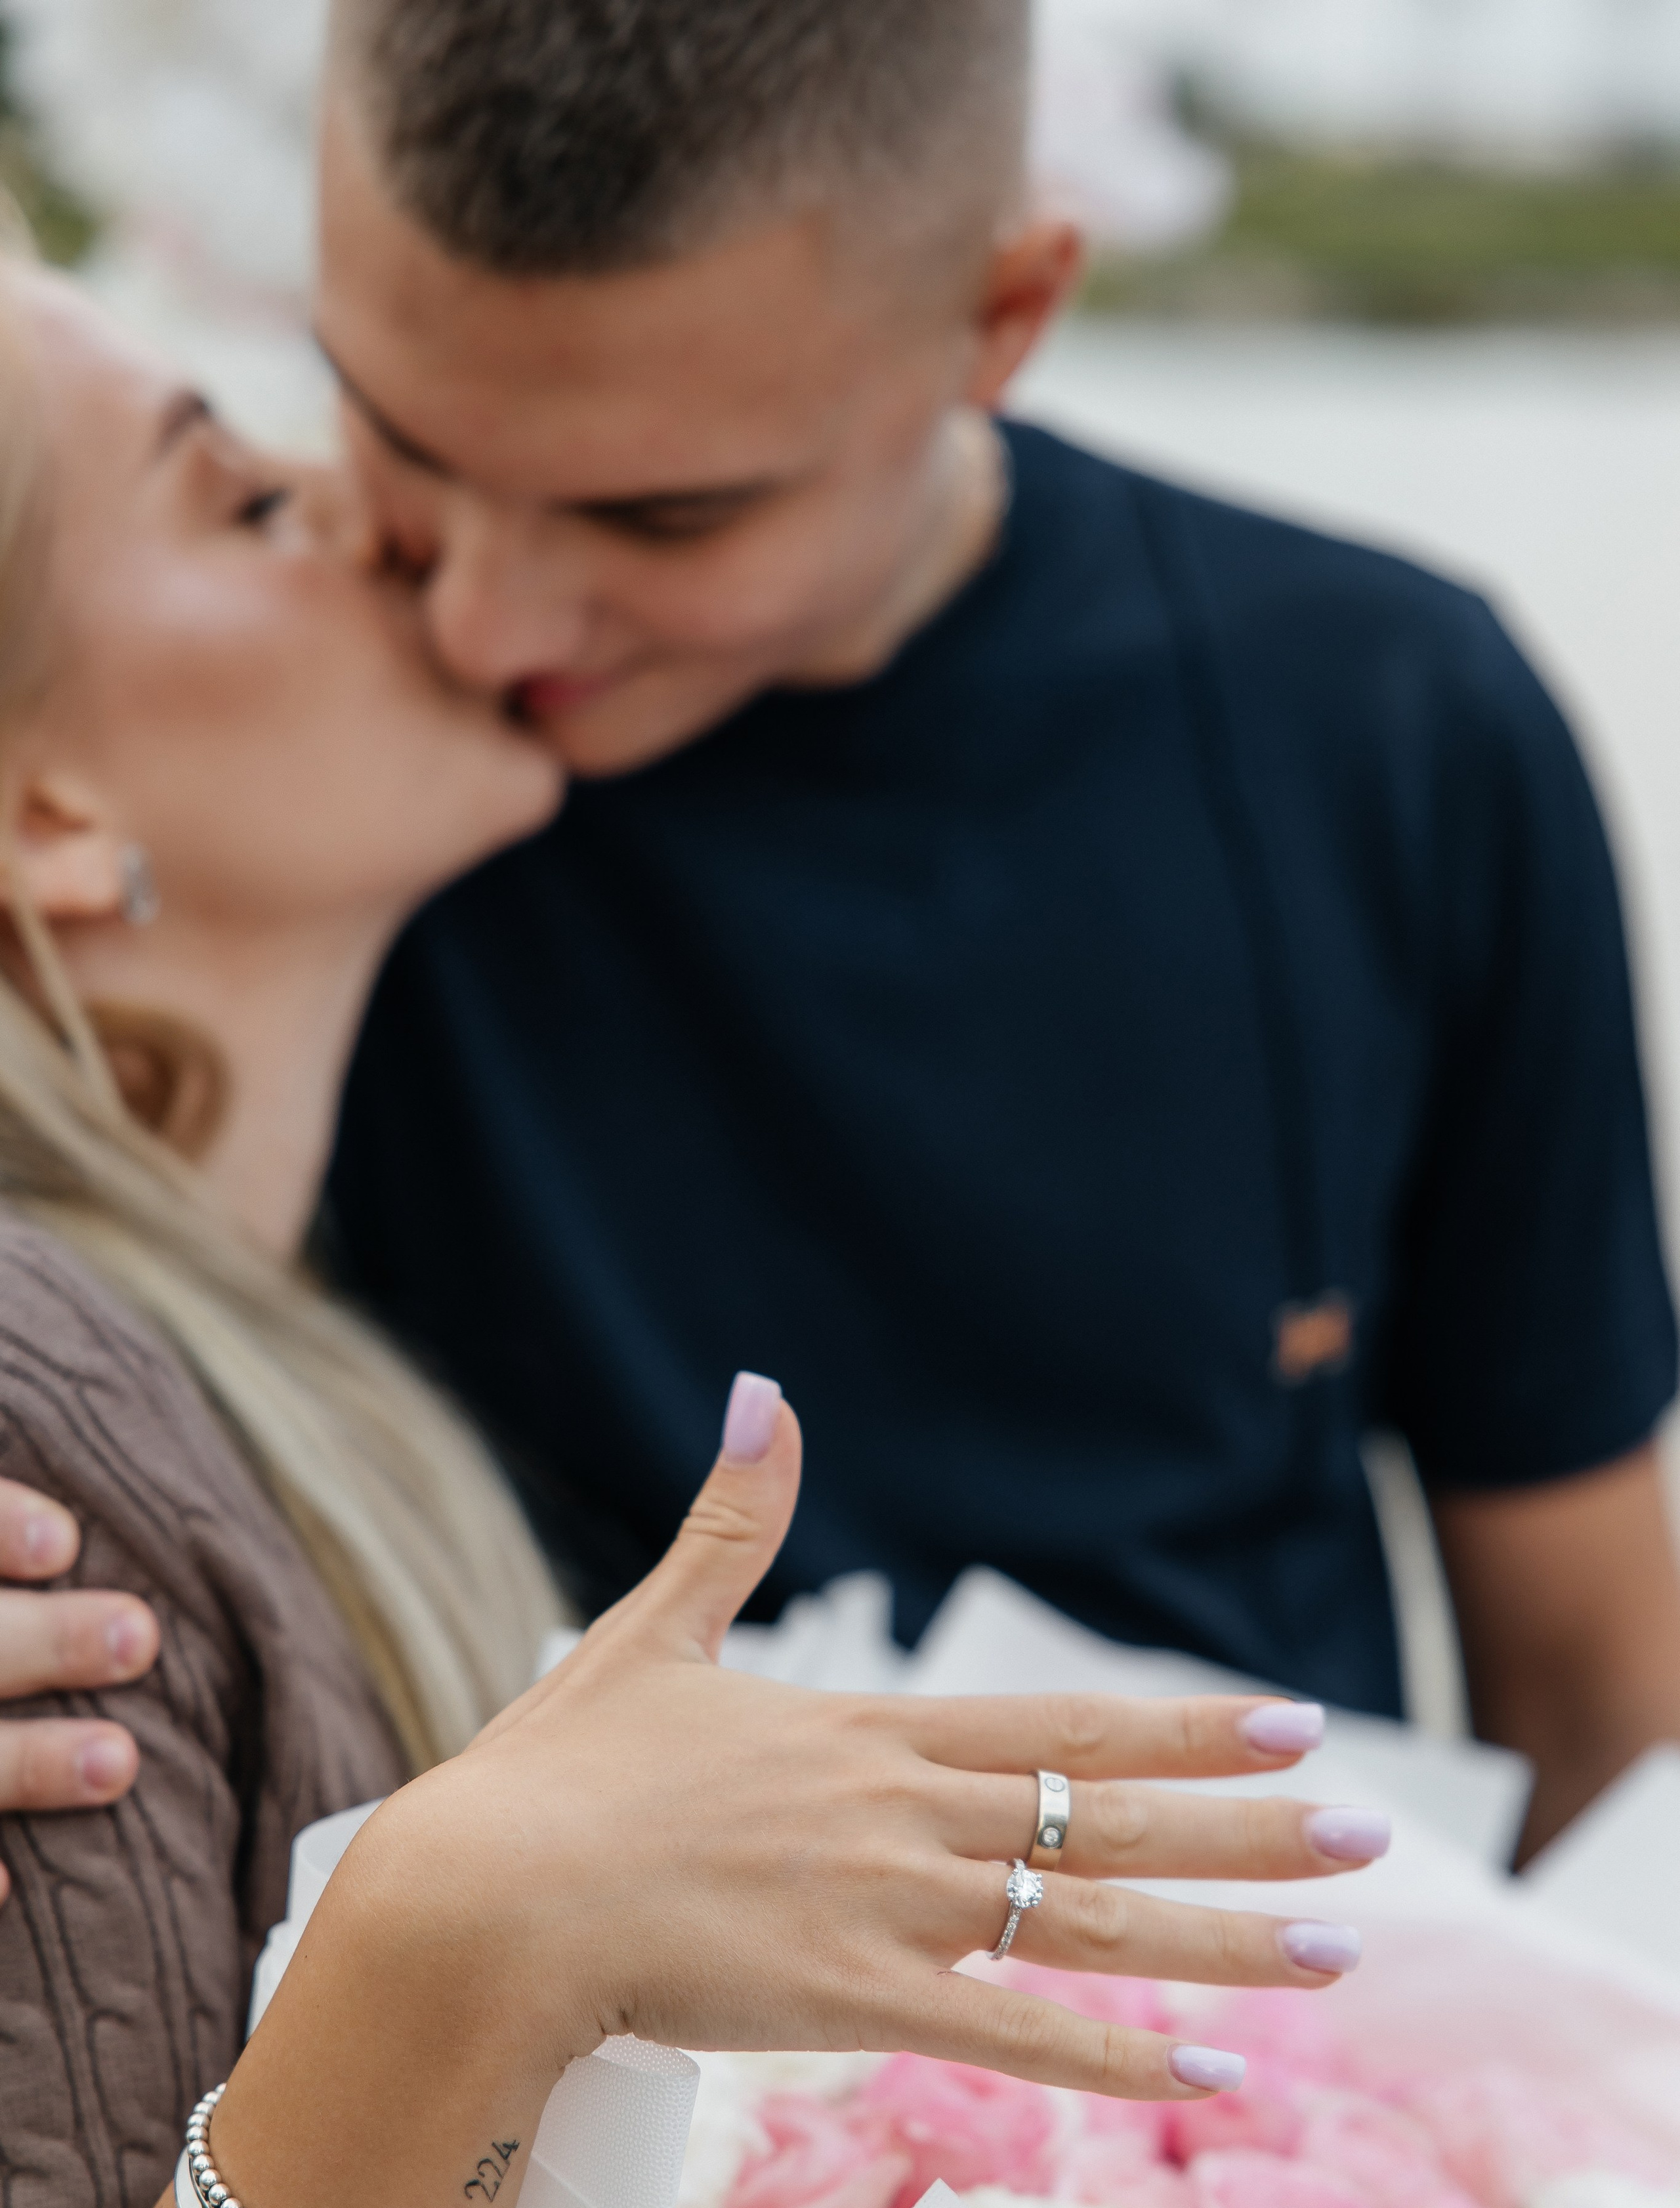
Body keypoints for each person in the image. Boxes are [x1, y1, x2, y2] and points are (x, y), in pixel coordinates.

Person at [0, 257, 1389, 2208]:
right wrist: (463, 1934)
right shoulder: (36, 1422)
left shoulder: (277, 1274)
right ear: (52, 810)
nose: (404, 533)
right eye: (244, 495)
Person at [2, 3, 1676, 1859]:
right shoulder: (319, 760)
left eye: (663, 514)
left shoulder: (1396, 727)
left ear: (1006, 316)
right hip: (532, 2070)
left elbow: (1599, 1685)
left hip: (1276, 2055)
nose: (484, 620)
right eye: (399, 436)